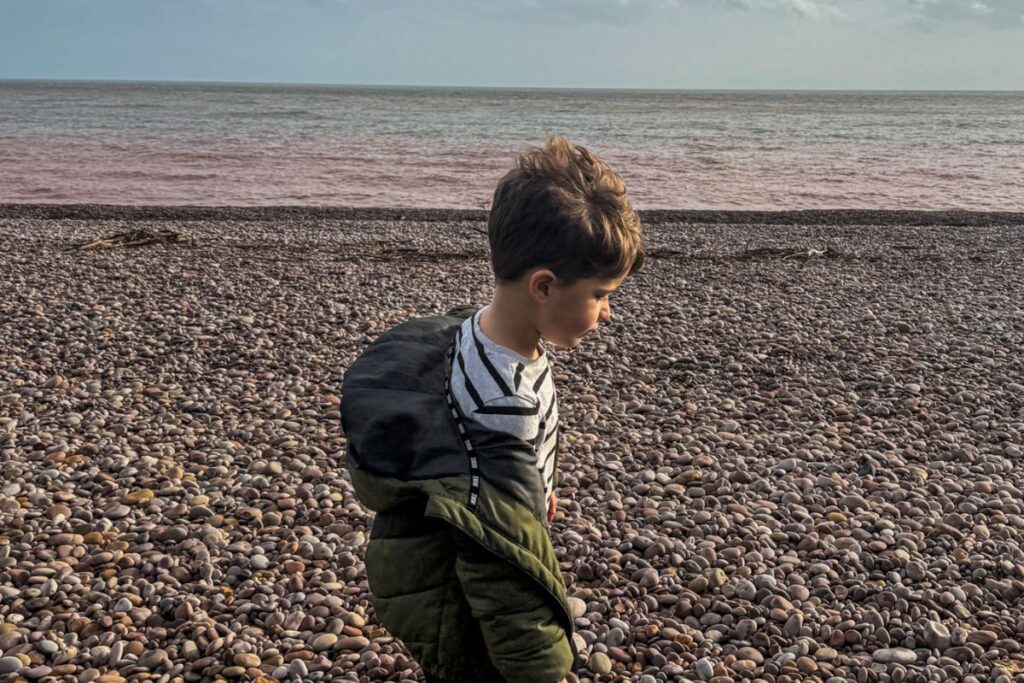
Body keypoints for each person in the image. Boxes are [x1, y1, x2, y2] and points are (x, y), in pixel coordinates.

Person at [341, 137, 645, 683]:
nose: (607, 311)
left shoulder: (477, 329)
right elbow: (501, 570)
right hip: (468, 578)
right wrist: (538, 666)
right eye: (601, 294)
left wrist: (537, 486)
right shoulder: (504, 407)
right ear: (545, 287)